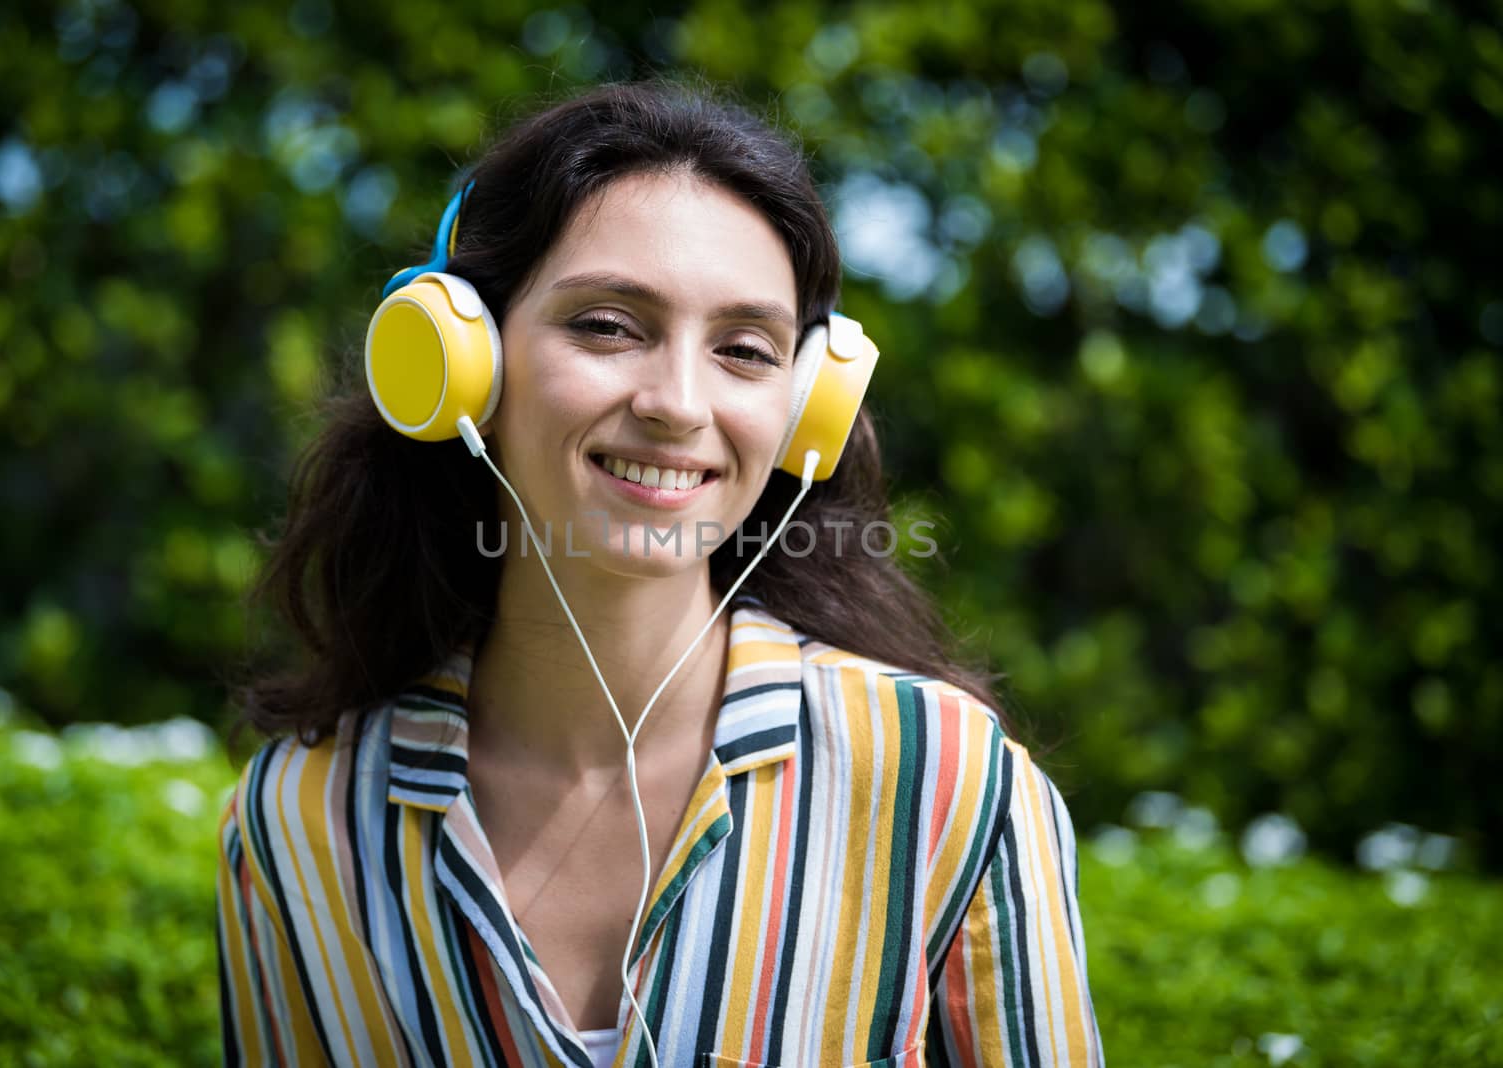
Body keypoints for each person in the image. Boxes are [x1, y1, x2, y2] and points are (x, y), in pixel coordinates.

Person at [216, 79, 1102, 1067]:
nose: (678, 403)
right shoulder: (299, 819)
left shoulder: (943, 782)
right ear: (461, 364)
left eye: (744, 349)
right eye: (607, 325)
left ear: (805, 413)